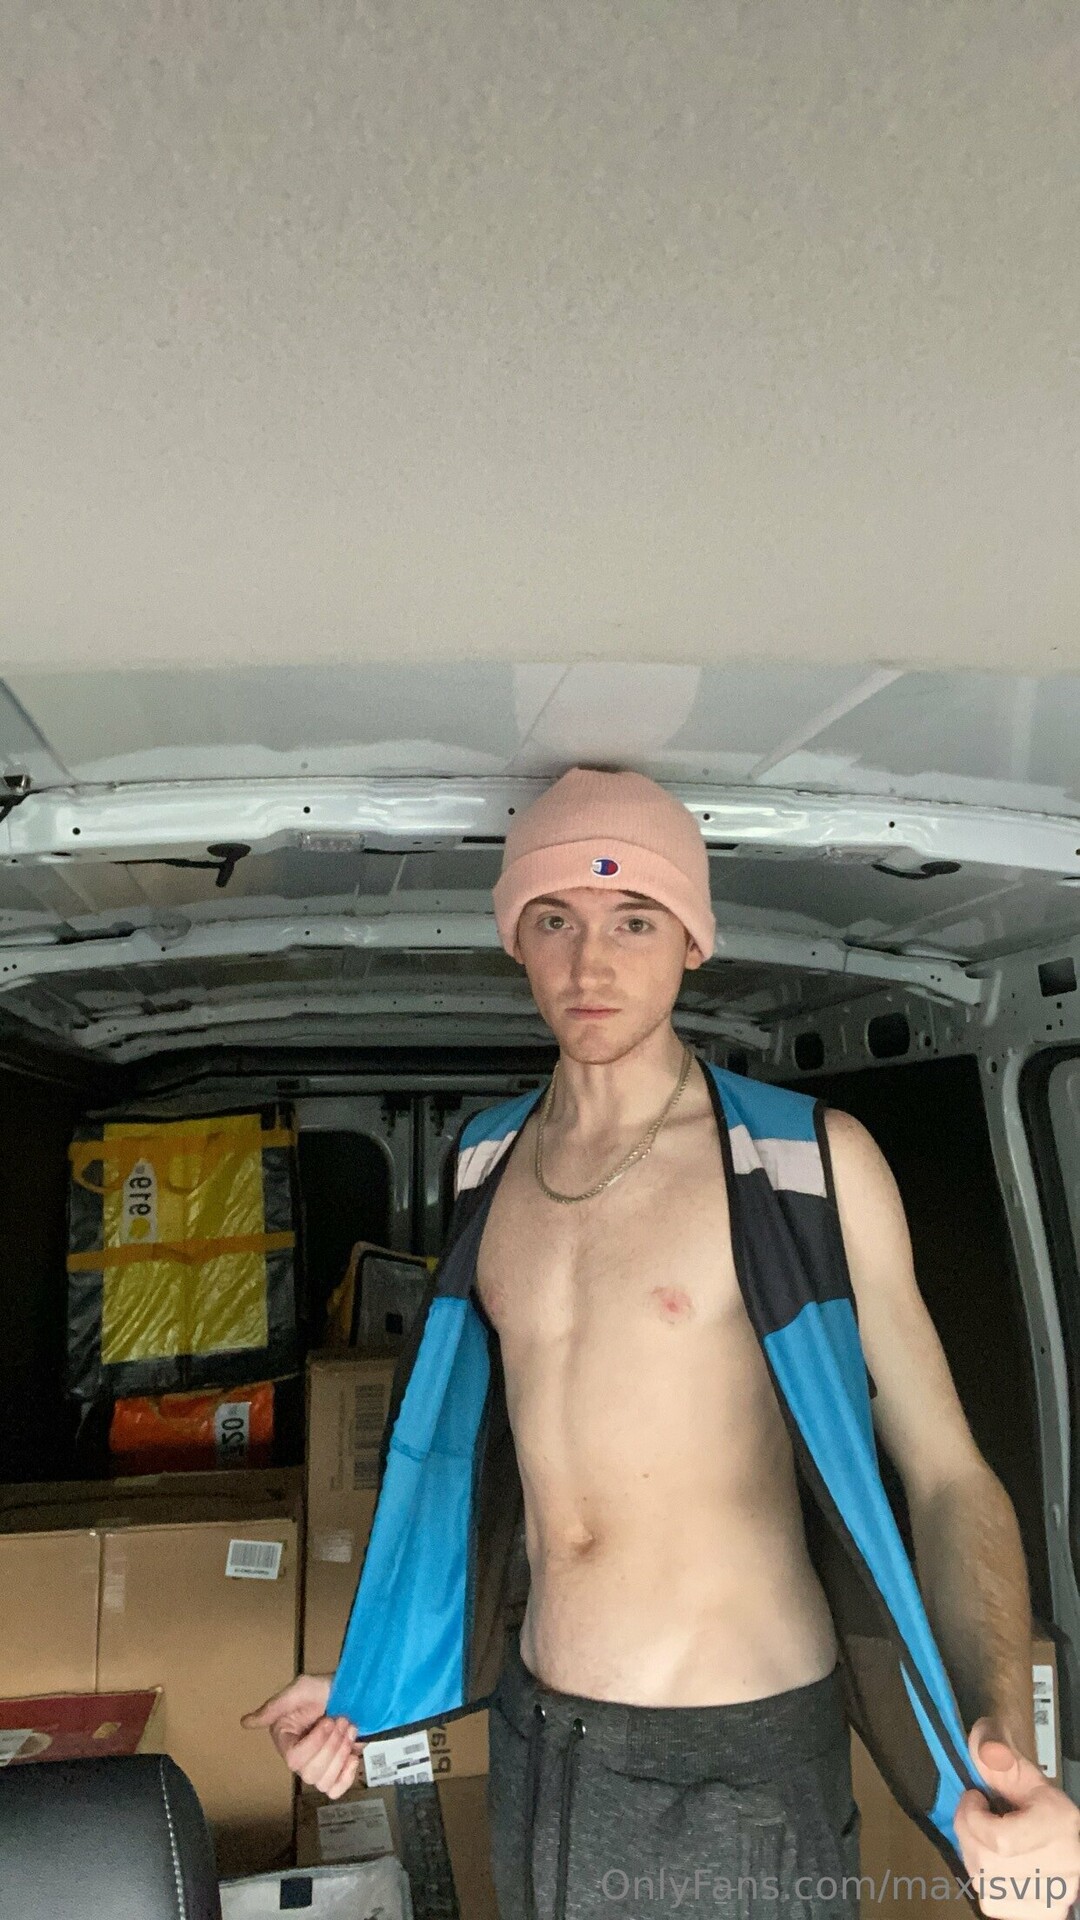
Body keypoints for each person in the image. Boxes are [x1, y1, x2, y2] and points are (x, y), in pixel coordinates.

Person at [245, 767, 1080, 1919]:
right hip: (541, 1735)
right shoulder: (486, 1162)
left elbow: (948, 1476)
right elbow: (488, 1473)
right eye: (555, 920)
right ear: (515, 940)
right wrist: (372, 1680)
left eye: (635, 919)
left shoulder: (805, 1165)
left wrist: (1005, 1744)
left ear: (693, 939)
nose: (591, 964)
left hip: (732, 1758)